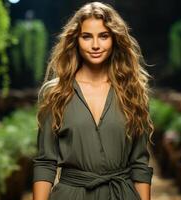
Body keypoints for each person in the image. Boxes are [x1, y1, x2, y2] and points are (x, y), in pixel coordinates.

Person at [32, 2, 154, 200]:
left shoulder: (132, 92)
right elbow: (45, 162)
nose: (95, 45)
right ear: (75, 40)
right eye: (87, 36)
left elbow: (139, 164)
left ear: (115, 39)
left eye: (103, 36)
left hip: (121, 194)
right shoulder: (56, 93)